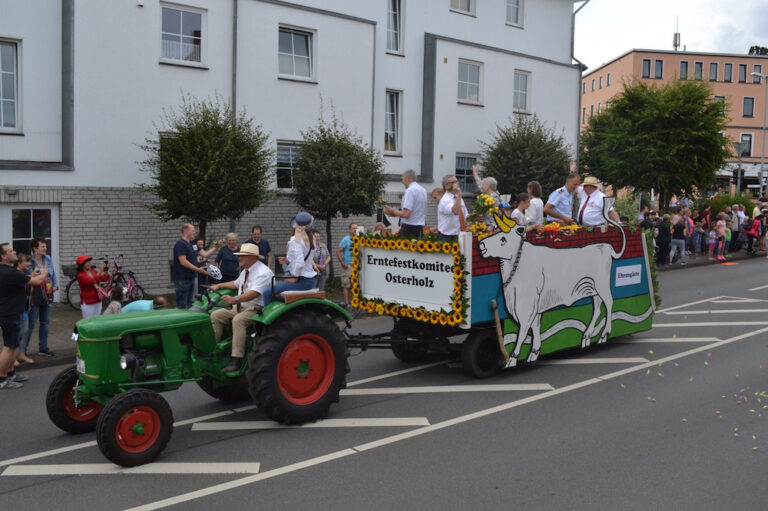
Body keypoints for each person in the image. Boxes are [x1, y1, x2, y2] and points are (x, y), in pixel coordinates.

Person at [210, 243, 273, 374]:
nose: (239, 258)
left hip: (256, 307)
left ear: (252, 257)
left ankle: (236, 360)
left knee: (238, 320)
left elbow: (254, 293)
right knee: (215, 315)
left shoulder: (263, 272)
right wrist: (219, 285)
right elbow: (236, 283)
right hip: (242, 305)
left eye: (242, 256)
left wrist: (234, 299)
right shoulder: (246, 270)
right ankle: (213, 350)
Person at [0, 243, 49, 389]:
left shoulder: (6, 271)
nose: (14, 252)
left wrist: (30, 276)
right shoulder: (10, 272)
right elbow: (36, 282)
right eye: (10, 251)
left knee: (13, 346)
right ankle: (2, 379)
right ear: (3, 256)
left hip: (9, 313)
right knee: (9, 347)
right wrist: (45, 274)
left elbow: (22, 279)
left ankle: (11, 373)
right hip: (10, 314)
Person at [272, 212, 317, 298]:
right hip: (309, 280)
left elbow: (300, 264)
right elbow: (305, 258)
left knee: (267, 292)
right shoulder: (312, 239)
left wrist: (294, 277)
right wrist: (288, 260)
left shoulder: (295, 240)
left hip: (301, 280)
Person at [26, 237, 57, 357]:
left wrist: (56, 286)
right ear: (35, 248)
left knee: (45, 322)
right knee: (31, 323)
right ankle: (23, 350)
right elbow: (27, 277)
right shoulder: (30, 261)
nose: (45, 248)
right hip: (35, 295)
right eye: (42, 246)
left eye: (45, 246)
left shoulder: (48, 258)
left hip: (48, 294)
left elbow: (53, 274)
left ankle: (43, 348)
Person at [173, 224, 212, 309]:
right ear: (186, 231)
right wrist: (198, 269)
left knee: (190, 304)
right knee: (182, 305)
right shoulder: (180, 244)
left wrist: (216, 246)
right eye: (193, 230)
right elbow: (183, 262)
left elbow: (206, 254)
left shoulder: (192, 244)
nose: (194, 232)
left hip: (191, 278)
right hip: (182, 279)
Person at [384, 169, 427, 238]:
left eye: (402, 179)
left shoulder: (410, 190)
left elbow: (406, 214)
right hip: (420, 228)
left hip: (409, 229)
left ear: (408, 178)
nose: (402, 182)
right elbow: (414, 212)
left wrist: (392, 210)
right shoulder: (423, 190)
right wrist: (394, 214)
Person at [76, 254, 111, 319]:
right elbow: (91, 281)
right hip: (88, 302)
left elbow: (104, 278)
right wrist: (100, 270)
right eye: (87, 262)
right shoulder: (80, 275)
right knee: (88, 322)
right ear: (82, 265)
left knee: (97, 321)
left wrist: (106, 271)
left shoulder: (92, 271)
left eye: (89, 261)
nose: (89, 263)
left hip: (97, 300)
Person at [14, 254, 34, 366]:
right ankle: (13, 357)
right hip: (16, 308)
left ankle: (21, 354)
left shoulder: (24, 274)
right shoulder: (15, 275)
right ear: (19, 263)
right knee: (17, 332)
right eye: (26, 262)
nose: (29, 264)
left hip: (25, 307)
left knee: (25, 330)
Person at [437, 174, 468, 239]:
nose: (456, 184)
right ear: (446, 185)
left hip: (461, 234)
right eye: (453, 182)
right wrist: (459, 194)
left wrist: (475, 216)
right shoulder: (445, 200)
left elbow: (465, 215)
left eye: (457, 181)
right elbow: (455, 211)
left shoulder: (459, 198)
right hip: (447, 236)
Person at [337, 222, 357, 309]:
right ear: (349, 230)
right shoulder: (346, 239)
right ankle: (347, 303)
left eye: (356, 228)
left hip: (356, 266)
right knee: (346, 285)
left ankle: (354, 302)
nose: (355, 230)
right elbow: (338, 251)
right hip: (347, 266)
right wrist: (342, 262)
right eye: (353, 228)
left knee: (355, 286)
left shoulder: (358, 239)